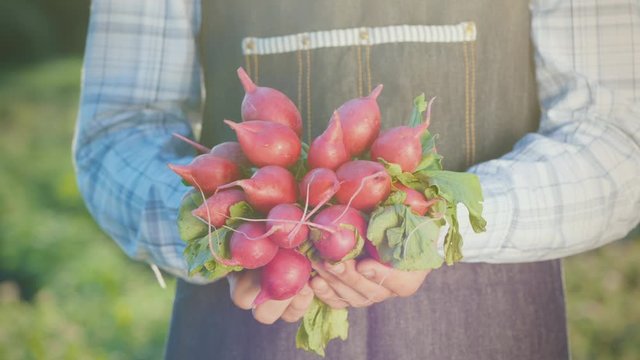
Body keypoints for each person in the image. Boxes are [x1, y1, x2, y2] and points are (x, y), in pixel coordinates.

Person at [73, 0, 640, 359]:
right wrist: (227, 240)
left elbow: (619, 139)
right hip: (248, 308)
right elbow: (118, 129)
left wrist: (435, 225)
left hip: (495, 324)